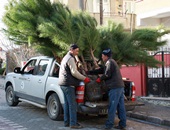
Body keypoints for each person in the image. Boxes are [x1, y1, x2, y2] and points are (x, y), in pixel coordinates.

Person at [87, 48, 126, 130]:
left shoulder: (109, 62)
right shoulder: (112, 62)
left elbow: (107, 74)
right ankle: (122, 124)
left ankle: (109, 125)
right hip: (120, 87)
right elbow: (102, 70)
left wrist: (99, 79)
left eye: (102, 56)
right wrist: (90, 72)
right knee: (120, 106)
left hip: (114, 88)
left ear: (105, 56)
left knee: (112, 106)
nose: (101, 57)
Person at [58, 44, 91, 129]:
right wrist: (84, 78)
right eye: (76, 51)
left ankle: (66, 122)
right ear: (71, 50)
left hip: (63, 83)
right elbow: (74, 72)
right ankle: (73, 123)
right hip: (68, 84)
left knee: (67, 104)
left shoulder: (65, 57)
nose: (77, 52)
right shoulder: (70, 58)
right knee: (72, 105)